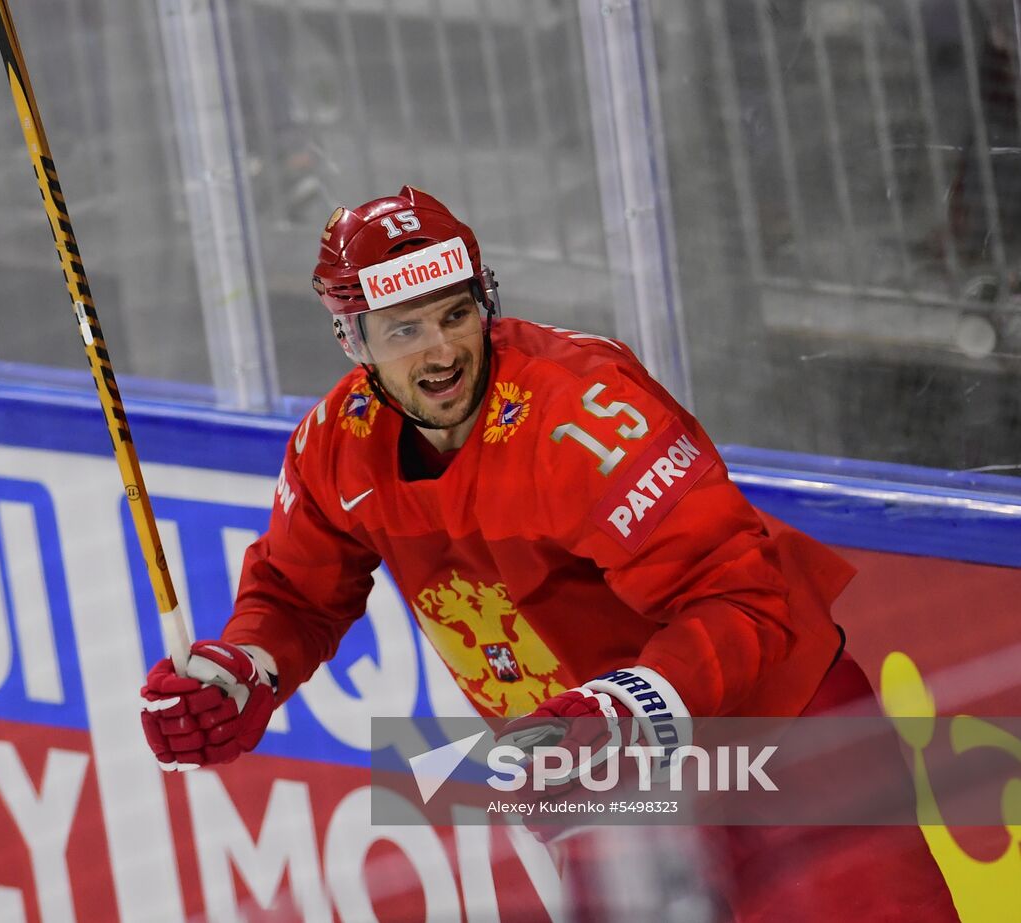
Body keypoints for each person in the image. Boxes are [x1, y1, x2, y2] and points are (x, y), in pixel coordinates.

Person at [139, 186, 959, 920]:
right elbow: (294, 594)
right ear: (353, 339)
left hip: (774, 726)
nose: (441, 351)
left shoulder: (582, 413)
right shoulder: (334, 445)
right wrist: (244, 668)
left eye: (456, 313)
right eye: (405, 328)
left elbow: (741, 597)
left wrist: (630, 708)